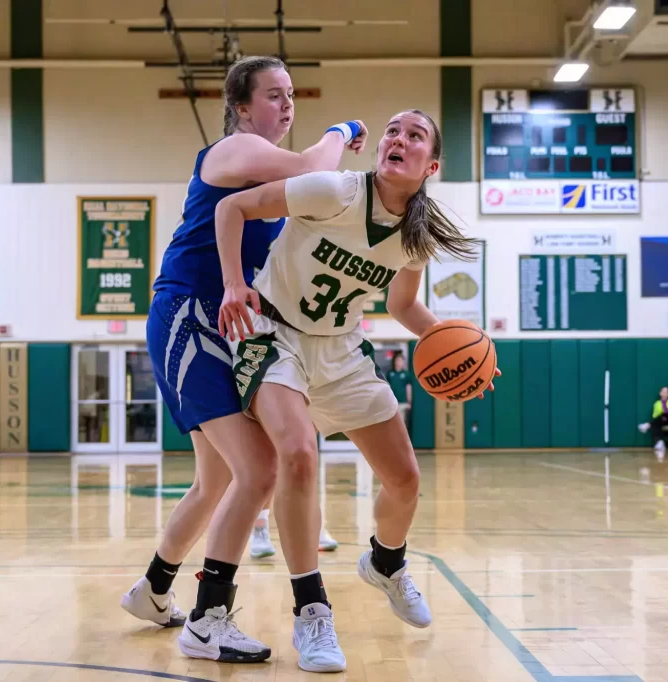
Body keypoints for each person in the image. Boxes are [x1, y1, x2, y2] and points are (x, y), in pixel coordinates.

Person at [215, 109, 498, 672]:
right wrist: (233, 284)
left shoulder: (417, 235)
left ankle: (386, 563)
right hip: (273, 332)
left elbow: (401, 306)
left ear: (431, 164)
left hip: (342, 347)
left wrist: (463, 349)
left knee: (405, 480)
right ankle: (311, 610)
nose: (397, 138)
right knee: (297, 456)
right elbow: (233, 207)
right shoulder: (334, 190)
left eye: (414, 135)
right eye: (393, 130)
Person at [118, 55, 367, 664]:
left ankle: (152, 589)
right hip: (189, 315)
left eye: (290, 96)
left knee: (218, 479)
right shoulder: (229, 152)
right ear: (241, 108)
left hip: (229, 326)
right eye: (274, 95)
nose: (285, 106)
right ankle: (209, 619)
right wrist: (344, 130)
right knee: (259, 467)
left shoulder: (265, 178)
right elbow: (316, 168)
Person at [638, 386, 668, 454]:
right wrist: (663, 415)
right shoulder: (657, 404)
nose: (665, 393)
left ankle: (648, 425)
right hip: (662, 421)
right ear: (660, 393)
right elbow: (655, 416)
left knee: (664, 415)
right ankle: (660, 442)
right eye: (663, 392)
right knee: (659, 420)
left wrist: (667, 413)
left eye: (666, 392)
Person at [387, 351, 414, 432]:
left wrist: (409, 401)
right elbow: (387, 387)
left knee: (401, 423)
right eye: (397, 360)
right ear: (394, 361)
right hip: (392, 403)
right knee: (392, 423)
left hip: (402, 402)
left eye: (401, 360)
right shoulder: (390, 373)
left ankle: (402, 442)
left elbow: (408, 388)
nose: (399, 362)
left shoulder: (406, 374)